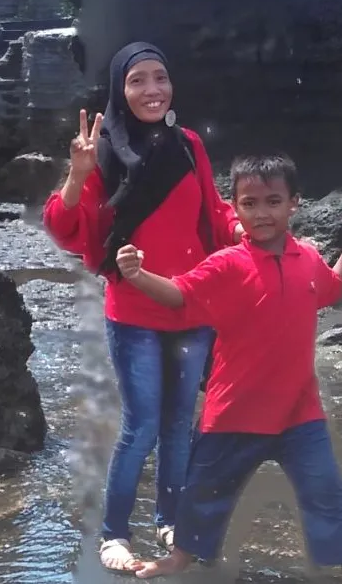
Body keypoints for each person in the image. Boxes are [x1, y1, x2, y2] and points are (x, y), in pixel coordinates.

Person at [43, 41, 243, 573]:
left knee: (181, 424)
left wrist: (246, 231)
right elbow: (65, 229)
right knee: (142, 424)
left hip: (192, 307)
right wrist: (78, 173)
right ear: (119, 90)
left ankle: (171, 519)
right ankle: (114, 533)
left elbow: (216, 212)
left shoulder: (189, 145)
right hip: (132, 312)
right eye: (138, 81)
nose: (152, 89)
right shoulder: (103, 152)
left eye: (160, 77)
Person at [116, 153, 342, 579]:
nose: (262, 213)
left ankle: (333, 561)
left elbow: (332, 287)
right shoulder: (226, 264)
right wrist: (138, 275)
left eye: (273, 201)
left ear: (295, 203)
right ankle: (179, 557)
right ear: (234, 207)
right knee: (205, 492)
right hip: (236, 411)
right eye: (250, 203)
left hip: (299, 411)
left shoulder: (309, 259)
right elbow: (178, 293)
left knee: (325, 491)